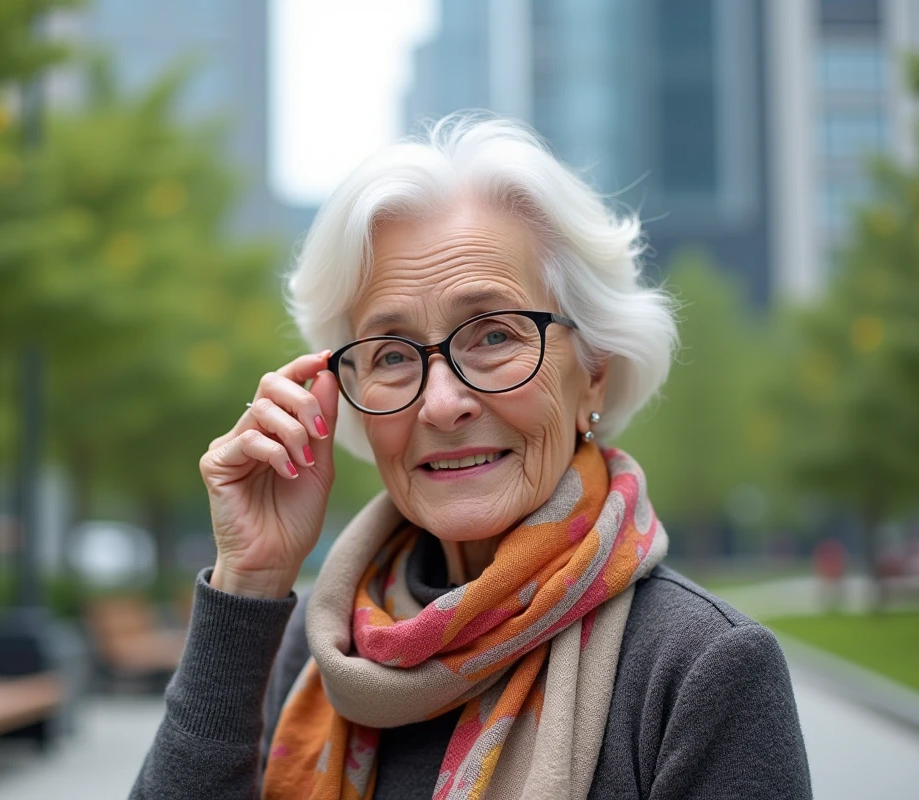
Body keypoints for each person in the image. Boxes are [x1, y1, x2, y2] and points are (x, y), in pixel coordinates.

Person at [130, 114, 811, 800]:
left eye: (493, 336)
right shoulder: (314, 649)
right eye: (391, 355)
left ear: (594, 371)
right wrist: (248, 581)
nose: (441, 404)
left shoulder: (701, 669)